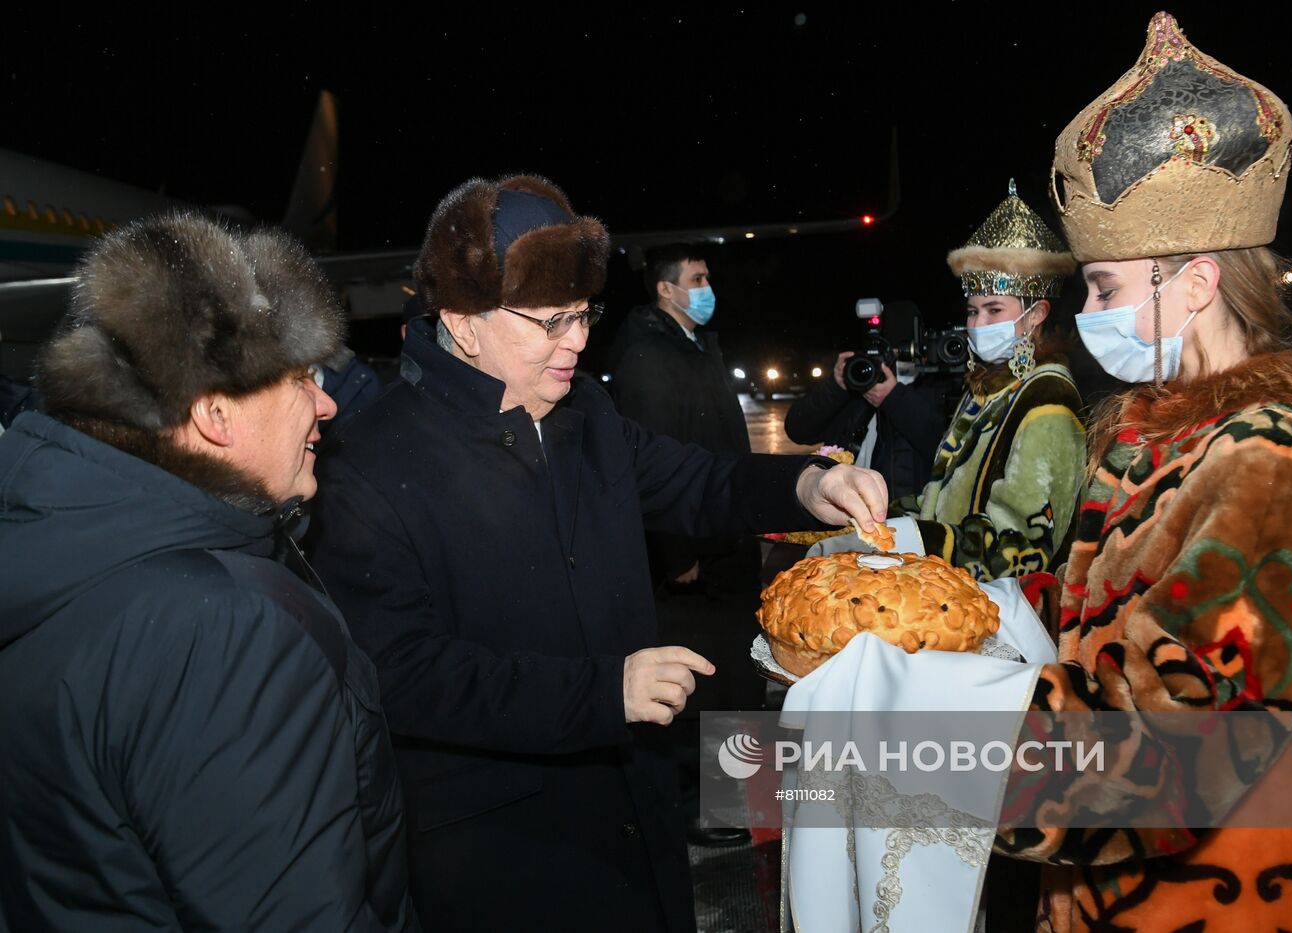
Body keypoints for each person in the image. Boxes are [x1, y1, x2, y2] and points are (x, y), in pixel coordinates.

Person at [308, 174, 888, 932]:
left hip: (633, 808)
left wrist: (807, 483)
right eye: (550, 322)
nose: (577, 340)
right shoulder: (371, 464)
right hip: (508, 851)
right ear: (463, 320)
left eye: (583, 316)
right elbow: (405, 674)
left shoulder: (586, 413)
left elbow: (696, 481)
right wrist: (602, 693)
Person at [994, 14, 1292, 930]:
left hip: (1222, 897)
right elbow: (1109, 614)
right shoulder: (1148, 436)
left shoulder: (1267, 457)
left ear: (1195, 282)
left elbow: (1175, 751)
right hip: (1106, 892)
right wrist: (989, 617)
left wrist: (936, 734)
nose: (1087, 314)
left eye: (1106, 288)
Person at [0, 213, 415, 931]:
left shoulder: (61, 547)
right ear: (215, 412)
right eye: (299, 379)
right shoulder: (222, 632)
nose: (327, 403)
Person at [608, 243, 761, 846]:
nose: (707, 287)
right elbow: (654, 462)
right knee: (705, 684)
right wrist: (678, 555)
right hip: (695, 552)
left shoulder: (694, 347)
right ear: (666, 291)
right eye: (696, 279)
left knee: (730, 674)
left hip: (721, 536)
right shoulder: (650, 359)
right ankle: (703, 809)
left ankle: (728, 802)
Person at [910, 179, 1086, 580]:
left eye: (993, 310)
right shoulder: (990, 386)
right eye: (972, 312)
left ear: (1037, 314)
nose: (977, 324)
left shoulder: (1048, 399)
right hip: (947, 591)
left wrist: (916, 541)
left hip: (1003, 615)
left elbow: (1022, 545)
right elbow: (938, 502)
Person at [784, 321, 949, 502]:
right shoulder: (855, 389)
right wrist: (835, 386)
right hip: (844, 510)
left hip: (904, 517)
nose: (883, 364)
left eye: (893, 355)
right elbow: (797, 429)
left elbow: (946, 449)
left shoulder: (936, 389)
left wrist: (895, 399)